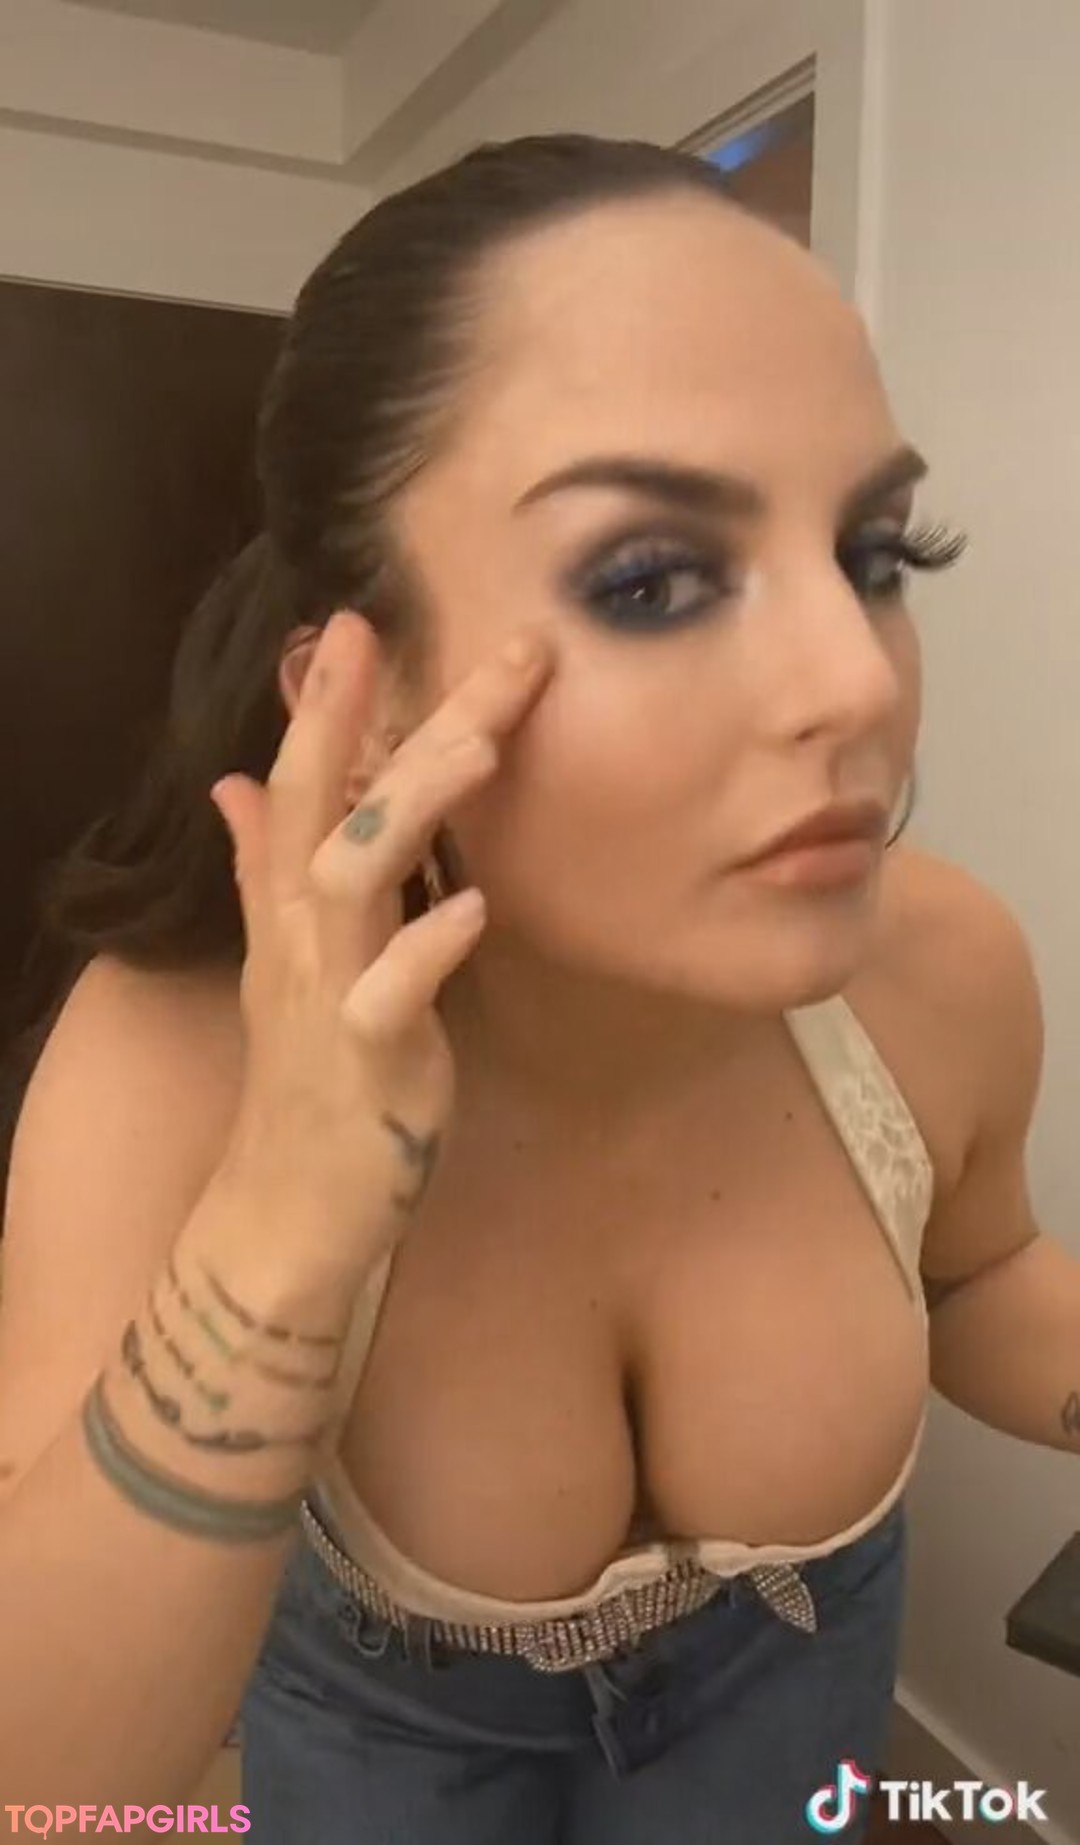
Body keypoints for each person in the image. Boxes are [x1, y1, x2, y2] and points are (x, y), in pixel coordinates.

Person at [0, 133, 1070, 1845]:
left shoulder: (938, 972)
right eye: (651, 579)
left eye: (877, 553)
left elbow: (981, 1269)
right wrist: (284, 1216)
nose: (856, 678)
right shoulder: (178, 1056)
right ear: (363, 699)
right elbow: (44, 1787)